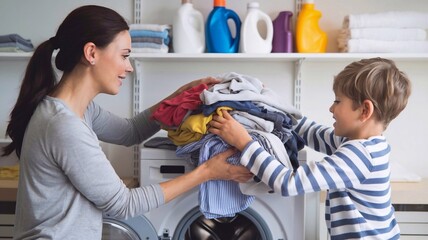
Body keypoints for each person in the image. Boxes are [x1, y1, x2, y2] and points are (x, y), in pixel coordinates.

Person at [1, 5, 251, 239]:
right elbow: (123, 204)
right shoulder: (63, 125)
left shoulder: (76, 110)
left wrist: (178, 97)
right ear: (91, 53)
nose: (128, 67)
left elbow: (130, 132)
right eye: (124, 56)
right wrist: (207, 172)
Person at [209, 57, 411, 239]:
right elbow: (309, 131)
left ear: (365, 110)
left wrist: (244, 142)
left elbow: (289, 183)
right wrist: (269, 103)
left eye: (338, 101)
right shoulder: (362, 143)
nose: (331, 108)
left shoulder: (358, 156)